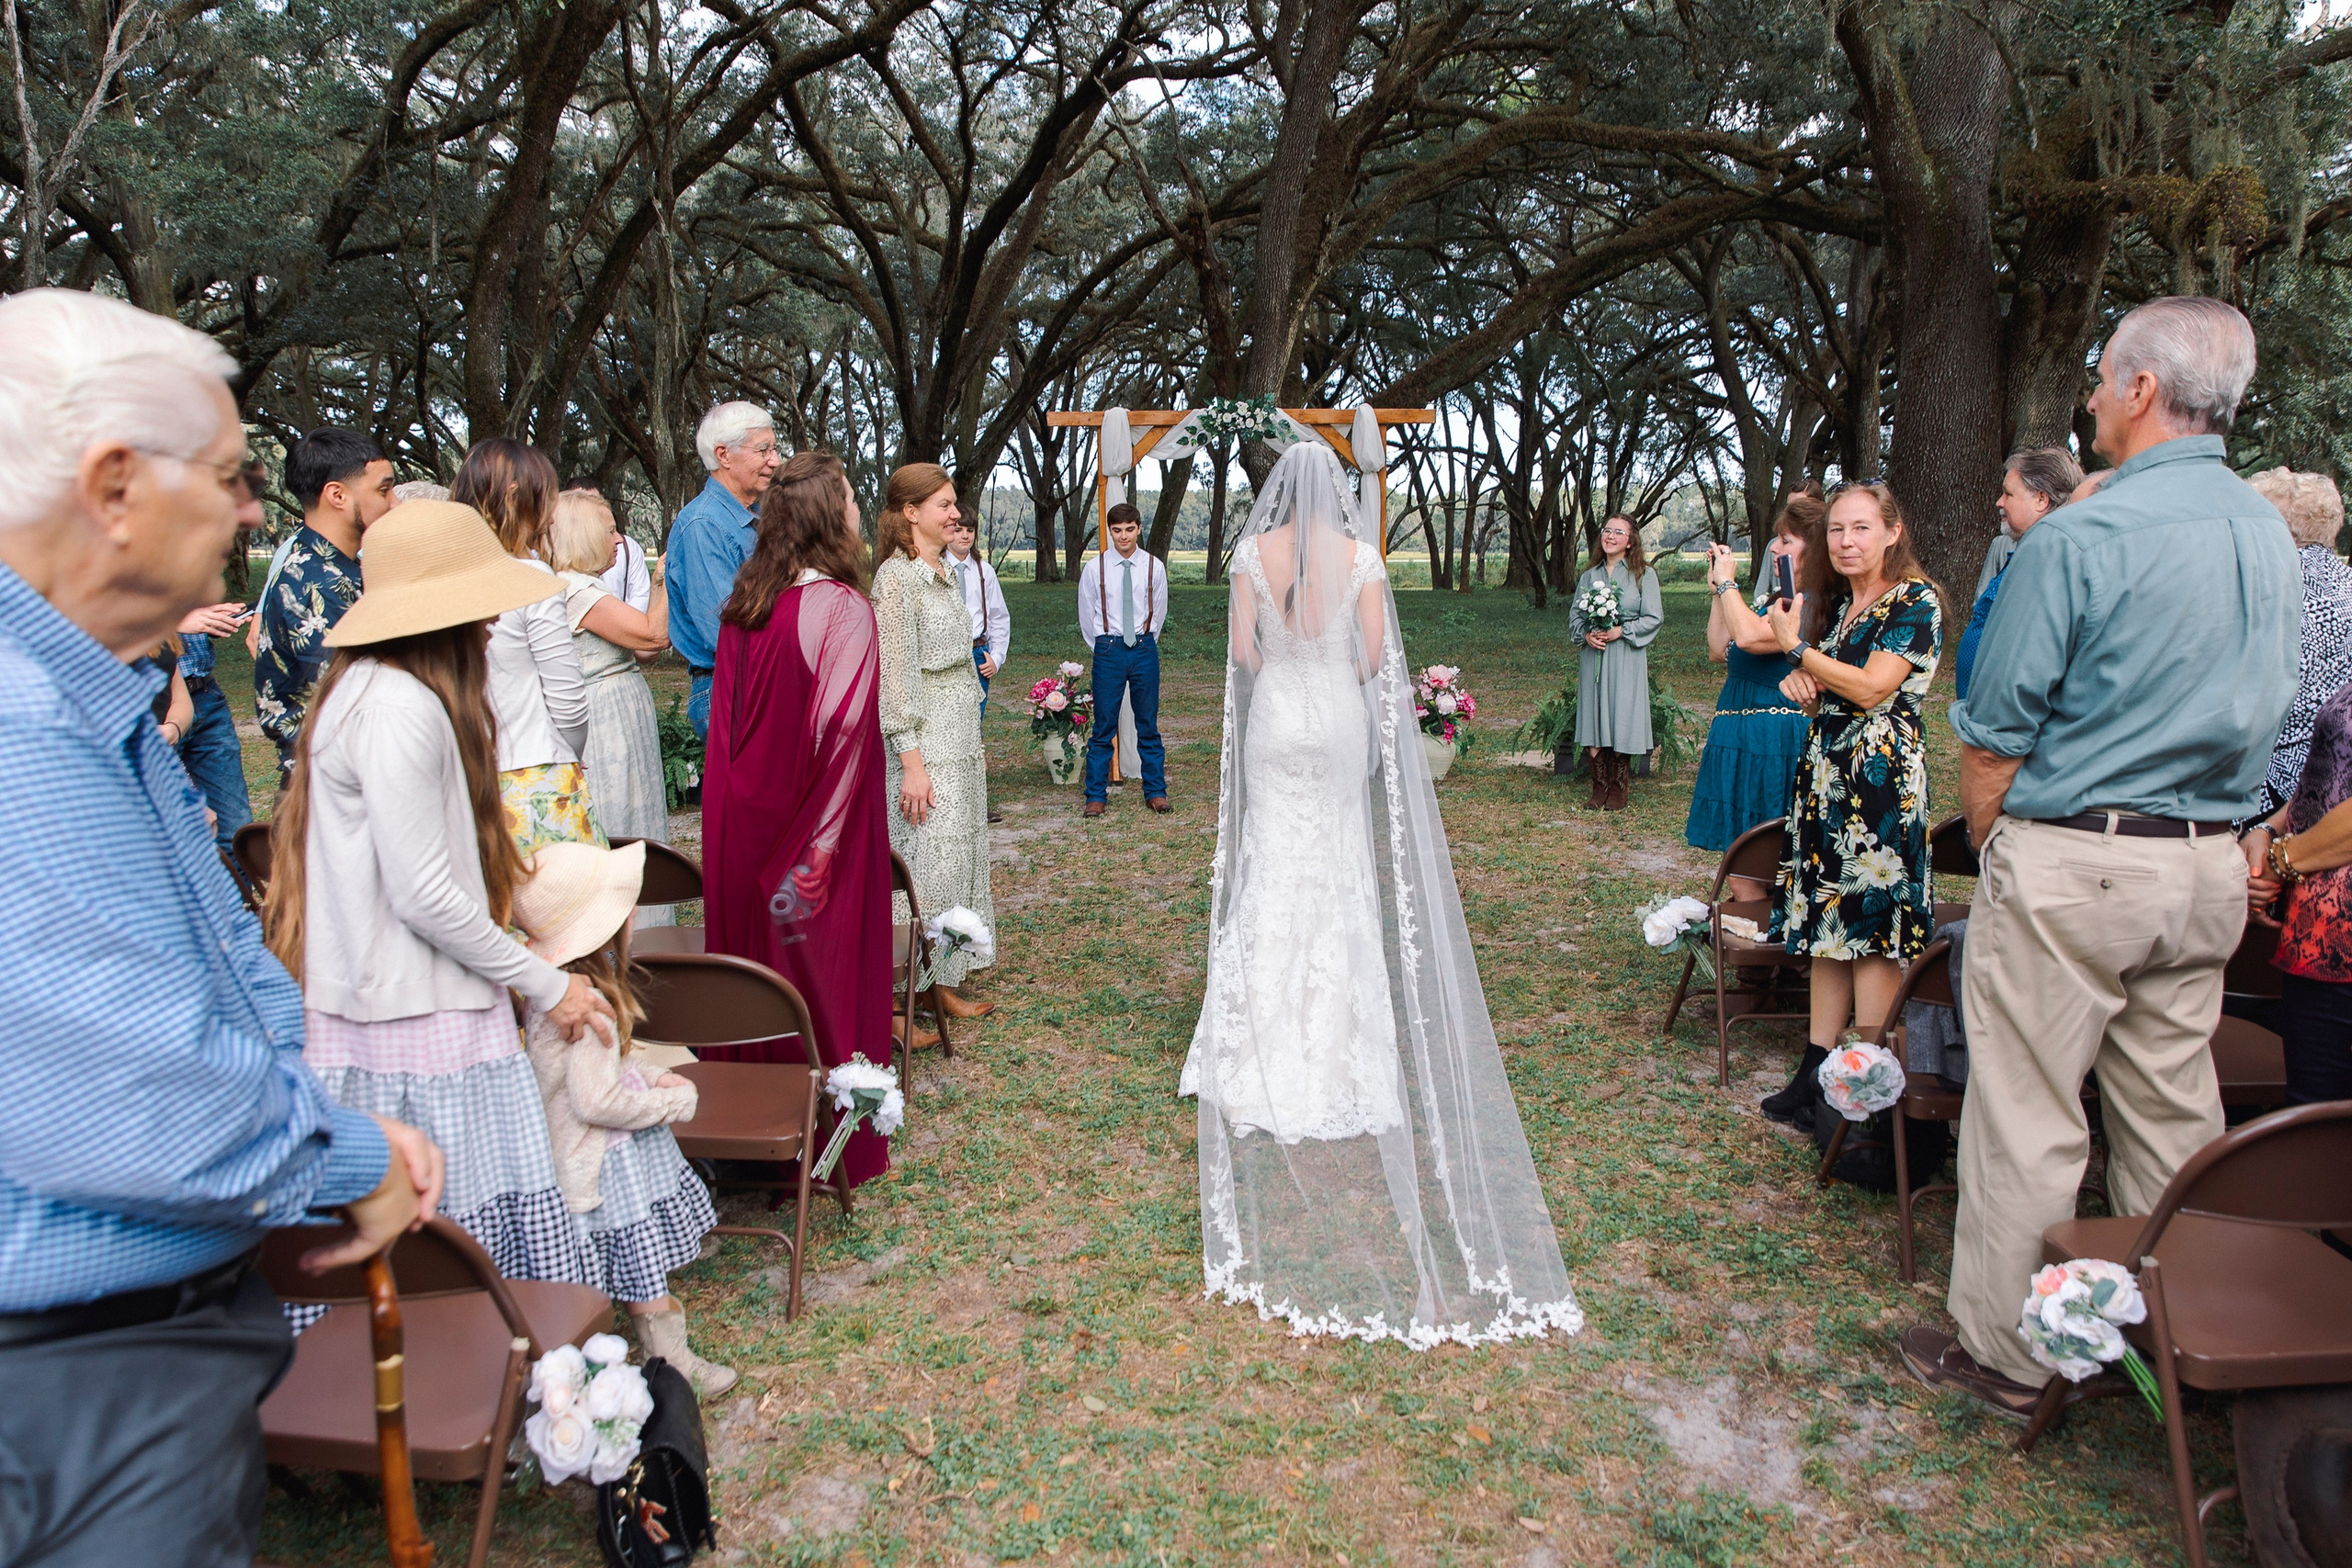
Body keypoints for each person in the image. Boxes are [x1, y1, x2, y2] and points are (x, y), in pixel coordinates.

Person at [0, 287, 441, 1567]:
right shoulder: (26, 732)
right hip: (83, 1380)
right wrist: (341, 1156)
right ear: (117, 484)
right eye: (235, 474)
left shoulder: (93, 698)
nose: (254, 509)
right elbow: (130, 1094)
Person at [1904, 296, 2301, 1418]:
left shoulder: (2082, 532)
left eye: (2098, 376)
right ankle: (2174, 1332)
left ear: (2137, 390)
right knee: (2173, 1107)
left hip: (2081, 858)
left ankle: (2011, 1355)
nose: (2086, 396)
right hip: (2208, 867)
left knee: (2029, 1109)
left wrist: (1995, 843)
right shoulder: (2268, 531)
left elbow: (1993, 727)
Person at [1179, 442, 1582, 1348]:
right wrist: (1328, 669)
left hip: (1278, 716)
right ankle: (1336, 1035)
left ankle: (1253, 1034)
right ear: (1342, 497)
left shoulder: (1252, 554)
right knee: (1335, 867)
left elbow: (1243, 654)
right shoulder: (1361, 559)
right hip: (1334, 721)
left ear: (1278, 492)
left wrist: (1283, 662)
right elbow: (1370, 658)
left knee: (1271, 863)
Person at [265, 498, 612, 1293]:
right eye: (479, 605)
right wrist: (547, 981)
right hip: (421, 1017)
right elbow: (426, 894)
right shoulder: (400, 708)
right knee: (464, 1221)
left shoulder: (362, 693)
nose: (492, 624)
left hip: (380, 1004)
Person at [704, 452, 897, 1188]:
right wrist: (822, 849)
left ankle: (750, 1132)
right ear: (826, 515)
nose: (856, 512)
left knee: (756, 966)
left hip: (739, 822)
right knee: (817, 963)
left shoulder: (745, 605)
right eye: (849, 500)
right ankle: (830, 1137)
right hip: (816, 825)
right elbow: (844, 737)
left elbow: (726, 734)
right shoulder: (842, 609)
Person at [512, 840, 732, 1394]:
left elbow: (591, 1070)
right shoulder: (591, 1010)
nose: (633, 913)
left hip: (568, 1150)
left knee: (606, 1259)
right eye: (623, 905)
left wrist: (649, 1071)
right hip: (601, 1161)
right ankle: (666, 1361)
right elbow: (597, 1100)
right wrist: (669, 1103)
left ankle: (598, 1363)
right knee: (633, 1262)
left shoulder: (557, 995)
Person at [1758, 482, 1943, 1130]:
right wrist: (1806, 685)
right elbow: (1838, 692)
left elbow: (1872, 687)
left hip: (1879, 790)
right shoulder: (1848, 607)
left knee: (1870, 933)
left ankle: (1863, 1085)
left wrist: (1797, 649)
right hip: (1830, 778)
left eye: (1861, 528)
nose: (1845, 542)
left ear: (1893, 532)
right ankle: (1814, 1069)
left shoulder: (1914, 601)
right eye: (1836, 530)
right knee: (1830, 929)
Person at [876, 463, 998, 1018]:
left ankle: (944, 979)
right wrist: (911, 763)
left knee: (959, 856)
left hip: (960, 731)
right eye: (944, 506)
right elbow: (894, 677)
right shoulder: (895, 581)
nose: (955, 514)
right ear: (910, 513)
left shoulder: (947, 572)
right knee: (930, 862)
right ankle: (912, 989)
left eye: (955, 504)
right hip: (926, 742)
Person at [454, 439, 598, 855]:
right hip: (532, 773)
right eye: (548, 497)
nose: (552, 513)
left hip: (461, 774)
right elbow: (567, 698)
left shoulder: (440, 578)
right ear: (518, 499)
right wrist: (565, 755)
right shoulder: (531, 576)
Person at [1689, 494, 1824, 887]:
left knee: (1761, 861)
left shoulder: (1809, 604)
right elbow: (1719, 648)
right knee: (1742, 858)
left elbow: (1747, 637)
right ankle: (1755, 937)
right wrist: (1718, 589)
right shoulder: (1773, 601)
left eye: (1786, 540)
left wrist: (1731, 582)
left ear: (1813, 551)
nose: (1775, 547)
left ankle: (1765, 939)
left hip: (1773, 742)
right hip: (1738, 735)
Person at [254, 426, 396, 782]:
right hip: (326, 788)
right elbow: (356, 702)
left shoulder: (341, 569)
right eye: (384, 489)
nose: (395, 503)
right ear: (337, 495)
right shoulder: (313, 582)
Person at [548, 490, 672, 869]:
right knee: (618, 813)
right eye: (610, 530)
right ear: (583, 535)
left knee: (639, 810)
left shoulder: (589, 587)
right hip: (604, 721)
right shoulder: (576, 589)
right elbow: (653, 635)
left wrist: (656, 585)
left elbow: (644, 651)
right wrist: (674, 572)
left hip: (620, 712)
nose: (620, 539)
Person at [2244, 682, 2352, 1106]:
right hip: (2321, 934)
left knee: (2322, 1128)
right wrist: (2269, 829)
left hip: (2340, 942)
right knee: (2316, 1121)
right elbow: (2333, 779)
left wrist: (2282, 859)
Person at [666, 402, 782, 741]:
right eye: (763, 450)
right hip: (730, 687)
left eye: (774, 449)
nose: (774, 460)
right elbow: (724, 631)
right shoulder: (704, 525)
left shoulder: (758, 516)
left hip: (756, 681)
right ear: (723, 455)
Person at [2245, 468, 2352, 822]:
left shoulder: (2268, 584)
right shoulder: (2347, 583)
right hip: (2331, 789)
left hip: (2261, 787)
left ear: (2282, 530)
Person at [171, 463, 264, 852]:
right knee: (175, 833)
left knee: (234, 828)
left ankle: (240, 905)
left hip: (204, 695)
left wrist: (209, 618)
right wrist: (178, 619)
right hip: (155, 705)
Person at [1951, 448, 2086, 701]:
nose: (1999, 502)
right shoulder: (2030, 555)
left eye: (2008, 493)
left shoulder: (2049, 563)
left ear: (2041, 500)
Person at [1077, 502, 1170, 817]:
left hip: (1144, 647)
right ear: (1110, 531)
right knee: (1103, 724)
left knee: (1148, 722)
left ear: (1139, 529)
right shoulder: (1095, 568)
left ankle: (1155, 791)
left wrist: (1144, 641)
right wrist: (1105, 646)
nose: (1123, 536)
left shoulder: (1153, 567)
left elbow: (1160, 608)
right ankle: (1095, 795)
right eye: (1117, 530)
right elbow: (1086, 614)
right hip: (1108, 649)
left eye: (1129, 529)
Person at [1566, 514, 1664, 811]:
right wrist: (1586, 635)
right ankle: (1599, 787)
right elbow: (1574, 617)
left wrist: (1621, 631)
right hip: (1594, 656)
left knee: (1621, 713)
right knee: (1594, 713)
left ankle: (1619, 788)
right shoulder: (1589, 576)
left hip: (1626, 655)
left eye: (1618, 532)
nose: (1609, 536)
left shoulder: (1643, 575)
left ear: (1630, 541)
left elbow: (1654, 618)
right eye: (1606, 530)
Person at [944, 513, 1010, 712]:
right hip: (945, 653)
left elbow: (999, 617)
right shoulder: (937, 568)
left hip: (977, 653)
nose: (965, 536)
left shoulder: (985, 571)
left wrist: (996, 658)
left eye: (969, 530)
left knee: (974, 721)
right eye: (958, 530)